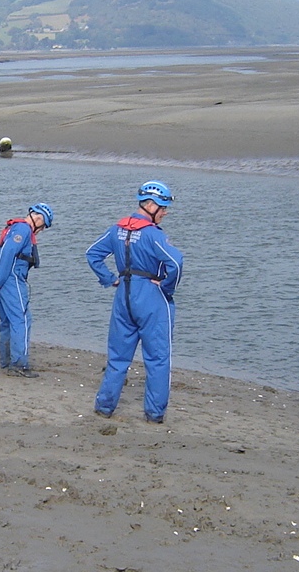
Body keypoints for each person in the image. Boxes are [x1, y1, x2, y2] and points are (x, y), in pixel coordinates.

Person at [86, 181, 183, 423]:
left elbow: (93, 254)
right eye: (163, 207)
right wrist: (167, 288)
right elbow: (177, 263)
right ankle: (154, 413)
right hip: (151, 297)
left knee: (118, 357)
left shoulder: (116, 229)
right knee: (158, 359)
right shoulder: (153, 235)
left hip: (124, 297)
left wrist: (109, 279)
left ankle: (104, 407)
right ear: (150, 205)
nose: (165, 212)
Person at [0, 203, 54, 378]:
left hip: (1, 275)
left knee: (7, 321)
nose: (41, 231)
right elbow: (8, 252)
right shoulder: (23, 230)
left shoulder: (16, 228)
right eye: (44, 226)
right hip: (11, 278)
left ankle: (6, 361)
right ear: (39, 219)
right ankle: (18, 364)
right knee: (22, 320)